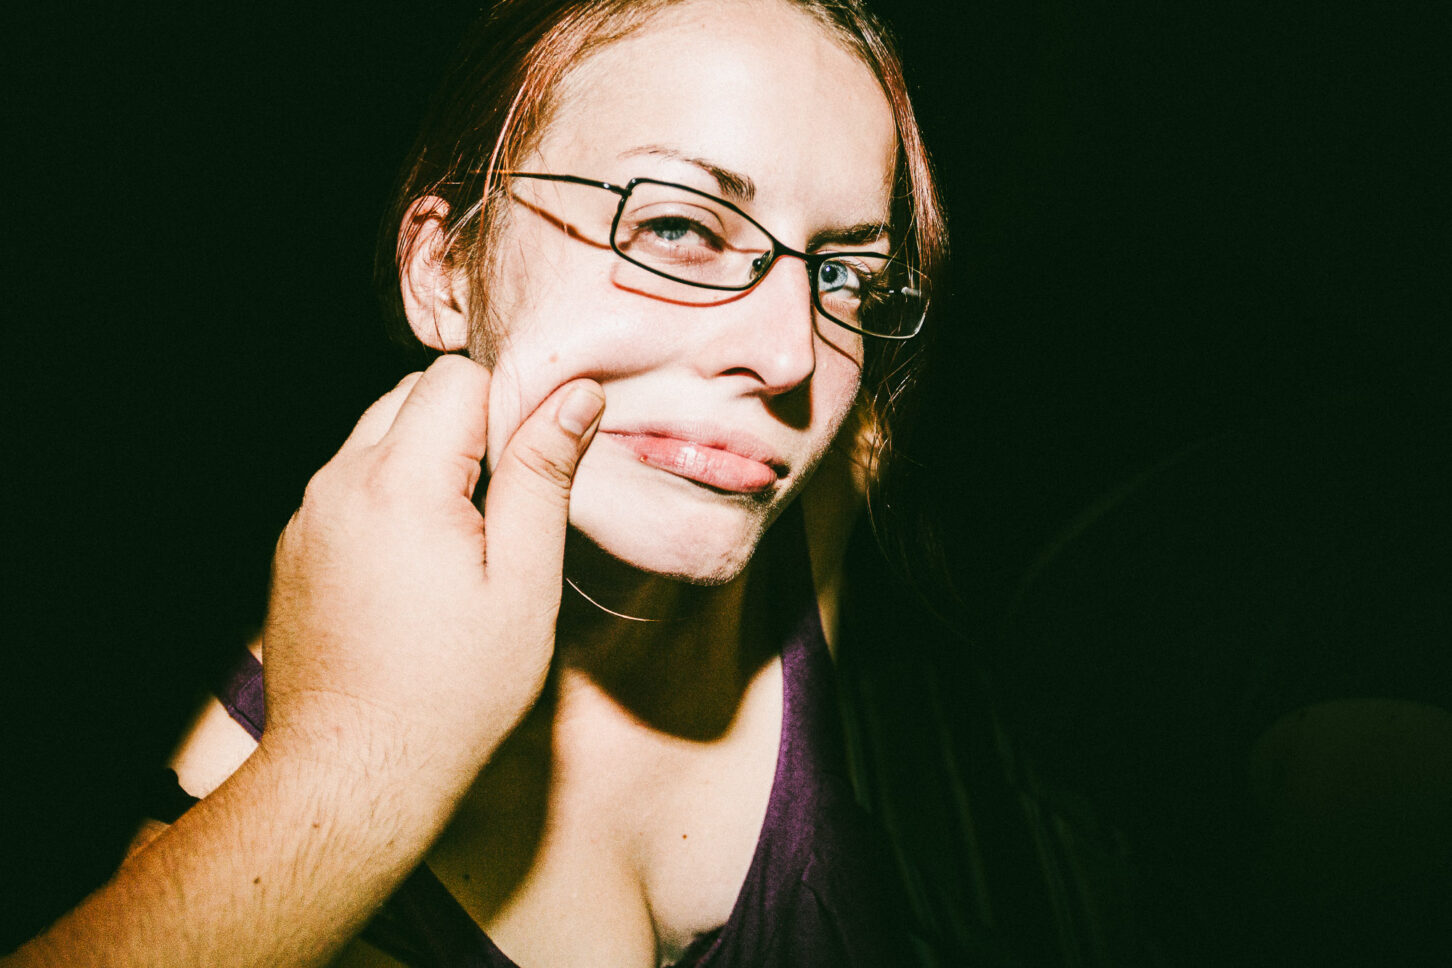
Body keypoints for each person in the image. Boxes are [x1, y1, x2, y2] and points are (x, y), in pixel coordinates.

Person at [5, 0, 946, 965]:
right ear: (447, 273)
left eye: (841, 275)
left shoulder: (826, 492)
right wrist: (345, 775)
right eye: (676, 227)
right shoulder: (227, 796)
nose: (793, 354)